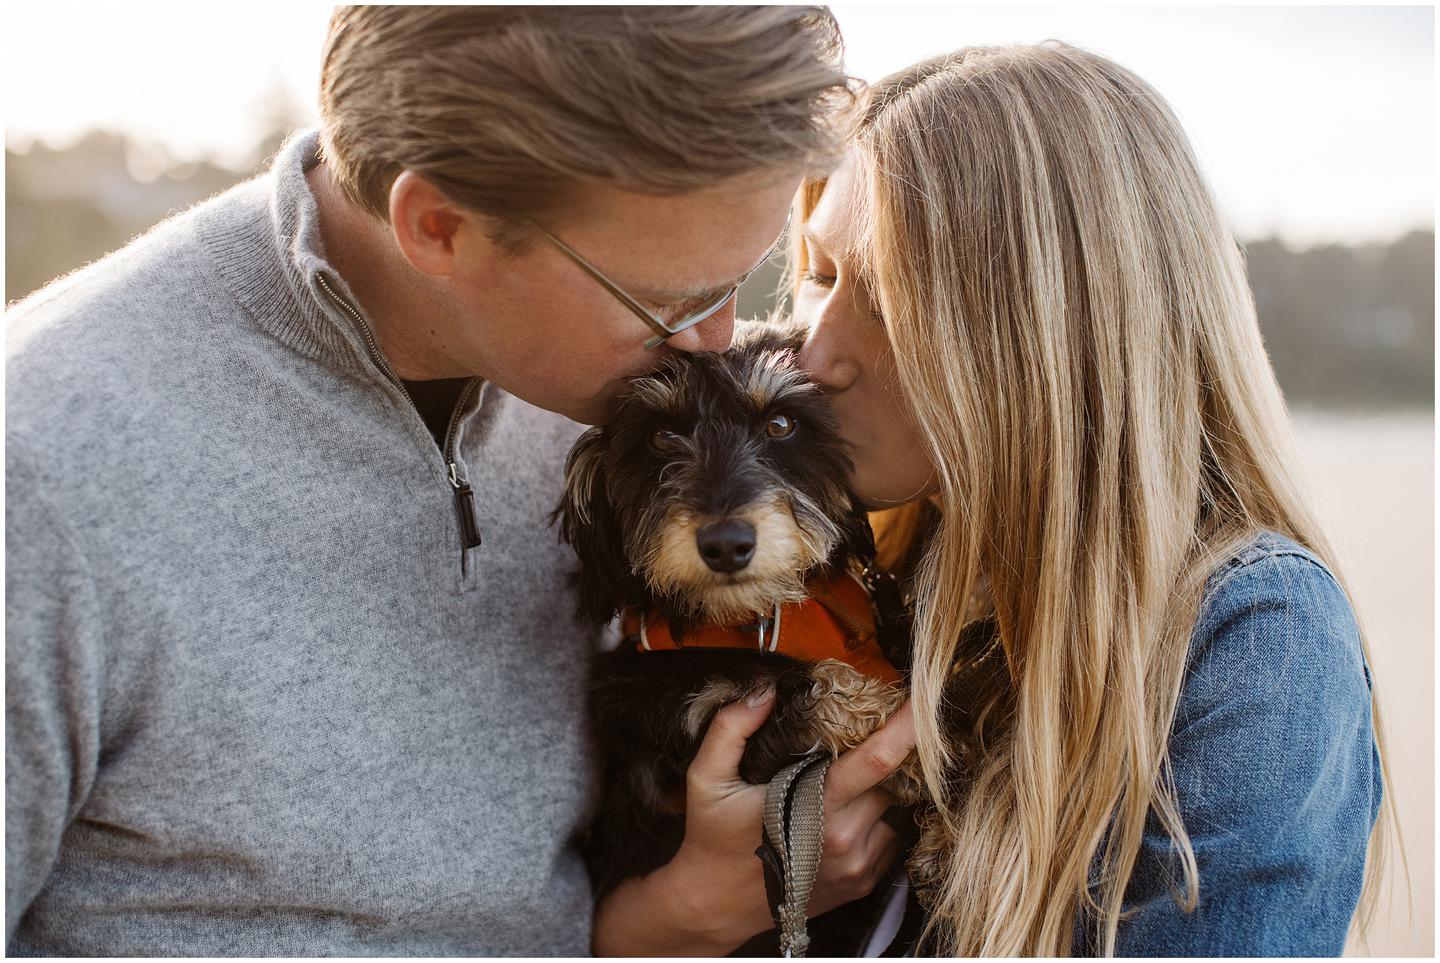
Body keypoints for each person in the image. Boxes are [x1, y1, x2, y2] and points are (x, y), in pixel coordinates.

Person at [6, 6, 917, 955]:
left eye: (746, 277)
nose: (717, 342)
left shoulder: (604, 372)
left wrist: (672, 921)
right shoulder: (44, 469)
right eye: (669, 301)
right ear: (439, 225)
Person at [785, 43, 1388, 955]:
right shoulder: (852, 574)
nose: (812, 354)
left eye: (888, 296)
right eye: (820, 276)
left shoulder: (1252, 637)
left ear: (1042, 328)